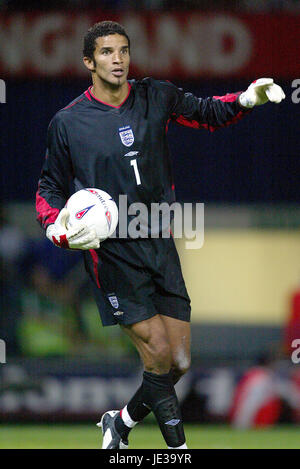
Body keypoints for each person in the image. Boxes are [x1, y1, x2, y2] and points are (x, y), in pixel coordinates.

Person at [35, 21, 285, 449]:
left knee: (180, 362)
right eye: (108, 52)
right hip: (112, 252)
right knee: (157, 353)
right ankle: (178, 451)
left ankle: (121, 422)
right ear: (88, 61)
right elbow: (49, 189)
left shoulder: (156, 95)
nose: (118, 59)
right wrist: (56, 226)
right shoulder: (69, 122)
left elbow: (207, 112)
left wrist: (247, 98)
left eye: (124, 51)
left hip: (159, 241)